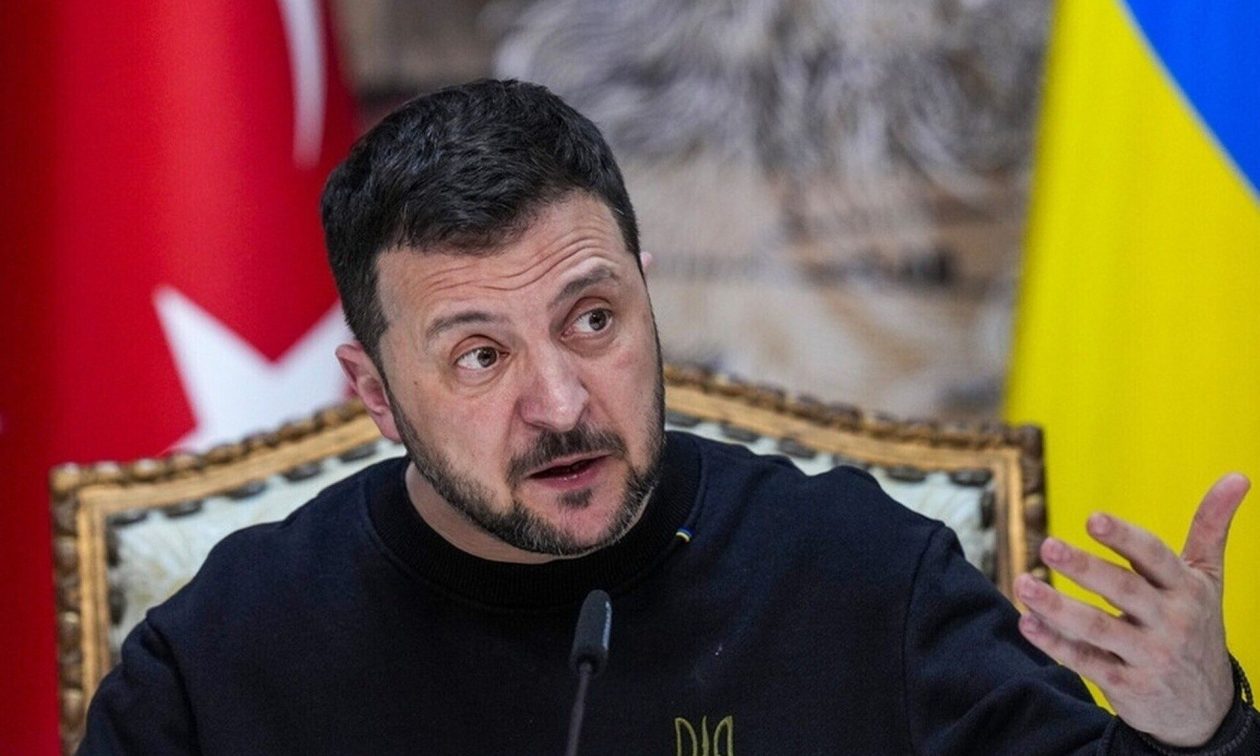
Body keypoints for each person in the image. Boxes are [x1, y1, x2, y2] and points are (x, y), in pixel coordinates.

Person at [80, 79, 1256, 754]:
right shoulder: (223, 657)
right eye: (480, 356)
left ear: (648, 298)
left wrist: (1202, 729)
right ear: (376, 394)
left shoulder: (864, 579)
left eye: (592, 319)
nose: (560, 403)